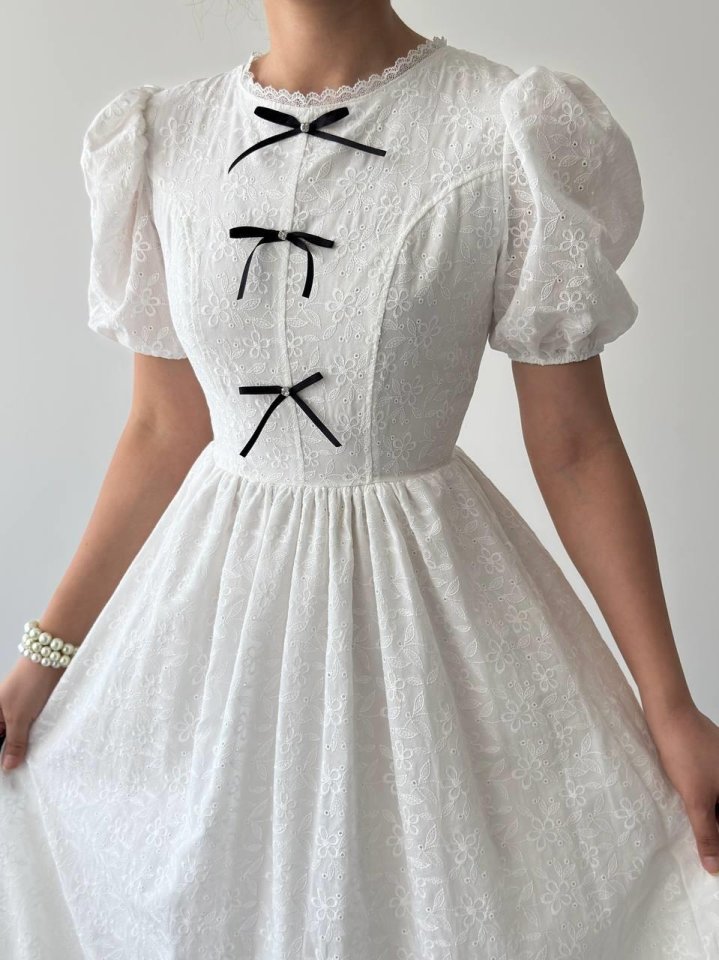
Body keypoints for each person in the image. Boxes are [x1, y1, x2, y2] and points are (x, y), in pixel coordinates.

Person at [1, 2, 718, 957]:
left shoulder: (505, 126)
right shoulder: (160, 136)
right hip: (209, 635)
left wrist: (669, 706)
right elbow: (161, 427)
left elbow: (574, 446)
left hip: (433, 630)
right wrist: (42, 660)